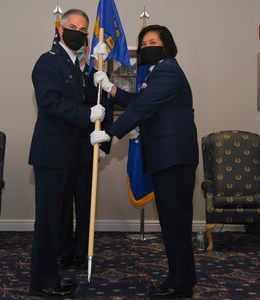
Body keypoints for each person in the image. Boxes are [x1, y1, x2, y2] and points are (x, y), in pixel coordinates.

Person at [91, 25, 199, 299]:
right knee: (174, 221)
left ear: (167, 44)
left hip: (172, 158)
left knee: (174, 222)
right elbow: (141, 100)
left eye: (154, 41)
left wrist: (109, 134)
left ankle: (179, 283)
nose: (148, 45)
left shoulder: (168, 70)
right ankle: (181, 278)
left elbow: (143, 107)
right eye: (145, 42)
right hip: (169, 157)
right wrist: (110, 88)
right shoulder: (160, 71)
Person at [28, 9, 106, 299]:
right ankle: (42, 283)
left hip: (74, 156)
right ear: (60, 29)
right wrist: (87, 114)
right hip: (52, 155)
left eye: (83, 29)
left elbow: (89, 106)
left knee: (60, 219)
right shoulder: (48, 62)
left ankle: (51, 277)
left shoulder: (77, 67)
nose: (78, 32)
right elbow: (50, 104)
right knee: (49, 221)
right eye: (72, 26)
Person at [59, 39, 113, 269]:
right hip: (62, 150)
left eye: (84, 47)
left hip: (87, 149)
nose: (81, 50)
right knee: (62, 205)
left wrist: (103, 147)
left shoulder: (97, 78)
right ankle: (64, 251)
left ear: (89, 51)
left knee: (85, 204)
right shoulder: (61, 71)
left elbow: (106, 112)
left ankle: (82, 251)